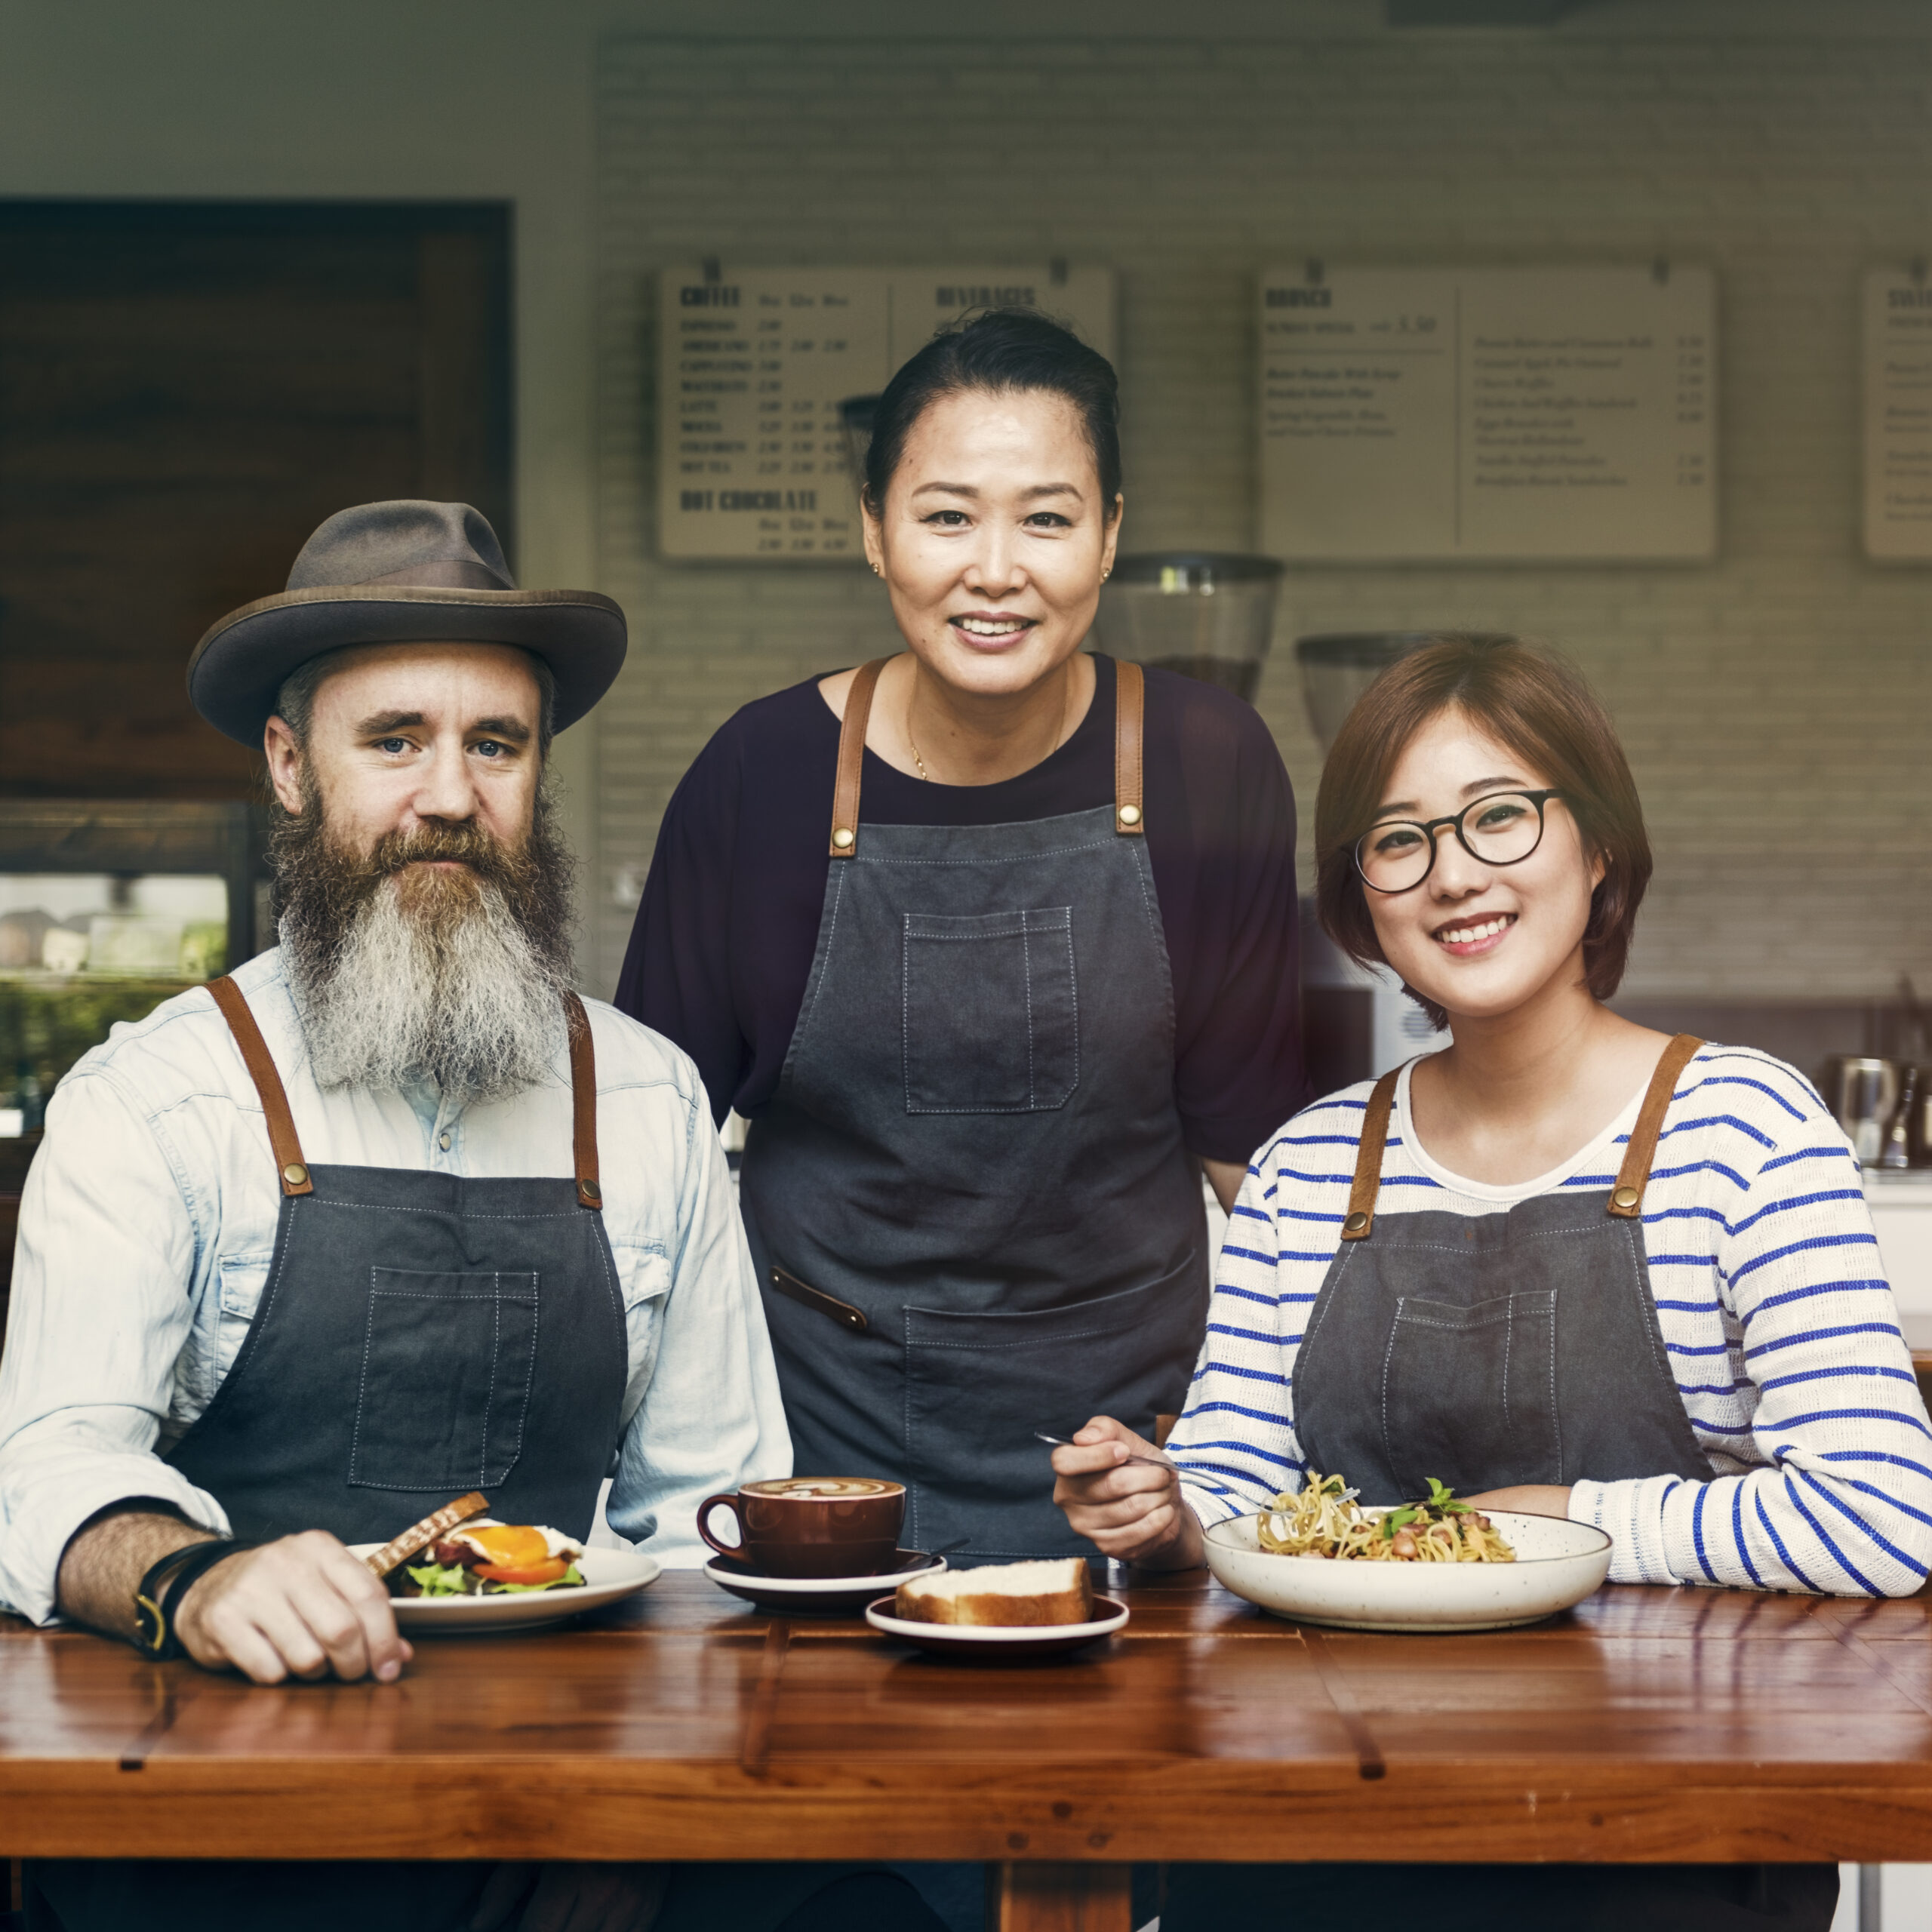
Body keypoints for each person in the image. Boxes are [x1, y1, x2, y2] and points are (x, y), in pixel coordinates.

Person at [0, 501, 944, 1932]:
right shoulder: (153, 1100)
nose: (450, 795)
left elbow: (702, 1524)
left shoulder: (644, 1097)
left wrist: (639, 1831)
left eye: (494, 745)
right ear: (288, 767)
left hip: (574, 1790)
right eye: (394, 741)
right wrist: (192, 1581)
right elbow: (48, 1465)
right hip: (226, 1799)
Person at [1052, 634, 1932, 1932]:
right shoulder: (1310, 1164)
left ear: (1600, 847)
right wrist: (1168, 1513)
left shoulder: (1744, 1127)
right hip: (1314, 1846)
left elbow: (1880, 1518)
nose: (1454, 873)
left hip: (1668, 1842)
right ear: (1364, 907)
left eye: (1500, 817)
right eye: (1398, 840)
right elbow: (1242, 1490)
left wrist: (1556, 1524)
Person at [618, 309, 1306, 1564]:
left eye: (1046, 517)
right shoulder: (761, 775)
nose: (997, 569)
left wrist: (1242, 1475)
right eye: (947, 516)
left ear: (1109, 537)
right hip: (813, 1442)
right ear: (873, 531)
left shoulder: (1213, 763)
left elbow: (1257, 1170)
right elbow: (645, 1152)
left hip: (1134, 1451)